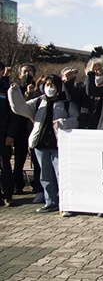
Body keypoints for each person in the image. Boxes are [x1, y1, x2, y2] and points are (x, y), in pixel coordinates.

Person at [8, 74, 79, 214]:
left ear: (58, 87)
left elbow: (76, 119)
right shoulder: (38, 102)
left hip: (59, 145)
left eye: (52, 85)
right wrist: (14, 92)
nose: (49, 88)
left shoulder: (66, 102)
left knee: (61, 175)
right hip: (40, 145)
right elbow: (19, 108)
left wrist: (63, 123)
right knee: (45, 176)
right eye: (47, 85)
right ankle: (50, 202)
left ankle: (66, 204)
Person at [12, 64, 43, 201]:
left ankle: (37, 185)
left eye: (30, 71)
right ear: (19, 75)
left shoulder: (39, 91)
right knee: (19, 160)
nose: (27, 74)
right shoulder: (15, 90)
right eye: (24, 72)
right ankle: (17, 184)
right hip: (18, 130)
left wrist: (32, 92)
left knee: (37, 161)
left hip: (33, 129)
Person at [0, 62, 17, 207]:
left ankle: (7, 195)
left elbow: (13, 115)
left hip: (4, 135)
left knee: (5, 166)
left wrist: (10, 134)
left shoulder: (7, 89)